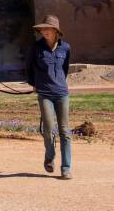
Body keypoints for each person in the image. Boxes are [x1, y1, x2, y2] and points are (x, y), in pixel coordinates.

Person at [25, 14, 72, 180]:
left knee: (65, 131)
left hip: (62, 93)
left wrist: (59, 83)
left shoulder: (65, 48)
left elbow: (64, 69)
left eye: (47, 28)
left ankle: (66, 168)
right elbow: (29, 68)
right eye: (42, 28)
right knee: (48, 128)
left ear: (55, 31)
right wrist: (34, 83)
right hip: (44, 93)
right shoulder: (36, 48)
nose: (44, 31)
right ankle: (50, 157)